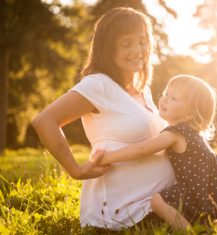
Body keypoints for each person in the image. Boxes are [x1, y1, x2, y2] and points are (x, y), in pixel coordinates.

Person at [32, 7, 175, 230]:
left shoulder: (141, 88)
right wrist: (76, 170)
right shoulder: (98, 84)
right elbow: (45, 121)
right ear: (107, 48)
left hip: (159, 202)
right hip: (123, 211)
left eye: (142, 41)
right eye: (126, 43)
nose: (137, 50)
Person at [98, 75, 217, 229]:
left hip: (200, 190)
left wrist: (108, 157)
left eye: (174, 98)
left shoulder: (176, 133)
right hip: (215, 189)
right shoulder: (191, 133)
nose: (164, 99)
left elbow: (142, 149)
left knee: (157, 200)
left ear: (190, 114)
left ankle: (188, 231)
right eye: (166, 94)